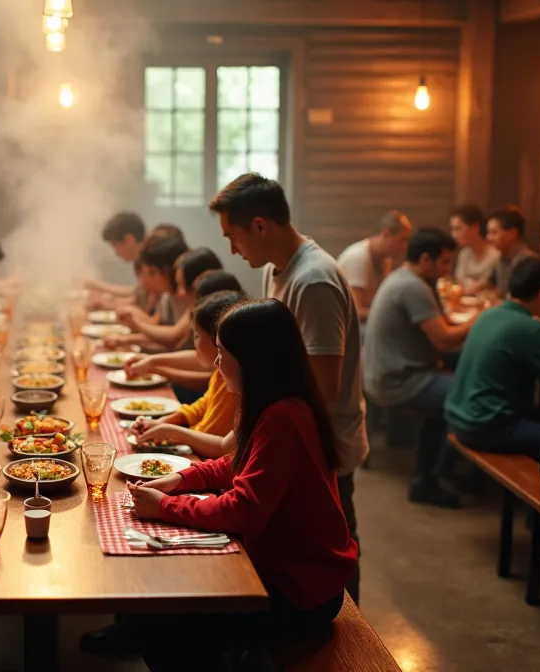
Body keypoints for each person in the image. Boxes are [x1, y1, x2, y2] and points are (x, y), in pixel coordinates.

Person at [121, 299, 357, 671]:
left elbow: (244, 511)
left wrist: (164, 506)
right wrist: (181, 479)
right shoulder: (277, 405)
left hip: (301, 590)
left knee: (162, 629)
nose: (216, 364)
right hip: (286, 570)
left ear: (252, 360)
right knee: (164, 602)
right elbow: (235, 465)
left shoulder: (283, 417)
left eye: (222, 353)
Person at [209, 173, 366, 601]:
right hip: (284, 436)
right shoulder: (278, 269)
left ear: (260, 226)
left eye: (233, 236)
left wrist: (251, 434)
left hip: (319, 442)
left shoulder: (312, 279)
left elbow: (324, 386)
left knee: (328, 556)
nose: (232, 249)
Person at [363, 227, 473, 508]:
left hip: (389, 371)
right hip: (397, 380)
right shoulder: (412, 287)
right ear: (426, 259)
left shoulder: (409, 277)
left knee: (467, 371)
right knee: (467, 396)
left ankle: (444, 467)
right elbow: (444, 339)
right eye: (445, 262)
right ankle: (430, 478)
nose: (448, 270)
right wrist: (482, 319)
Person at [445, 257, 540, 462]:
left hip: (458, 416)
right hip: (486, 426)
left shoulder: (488, 314)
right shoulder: (533, 329)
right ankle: (538, 492)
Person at [128, 290, 243, 459]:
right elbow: (201, 407)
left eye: (197, 336)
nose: (194, 344)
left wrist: (175, 432)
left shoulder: (236, 384)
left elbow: (221, 447)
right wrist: (162, 423)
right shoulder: (222, 374)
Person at [336, 210, 412, 322]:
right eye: (402, 240)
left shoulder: (386, 259)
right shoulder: (358, 257)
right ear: (386, 234)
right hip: (348, 326)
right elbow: (356, 311)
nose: (405, 246)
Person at [486, 205, 536, 296]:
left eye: (494, 232)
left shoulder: (529, 263)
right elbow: (492, 286)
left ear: (512, 233)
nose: (488, 238)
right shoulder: (502, 258)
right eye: (488, 233)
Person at [449, 204, 499, 294]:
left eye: (458, 229)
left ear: (475, 227)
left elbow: (488, 285)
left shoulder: (495, 255)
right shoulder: (463, 254)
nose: (454, 235)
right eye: (453, 229)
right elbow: (458, 284)